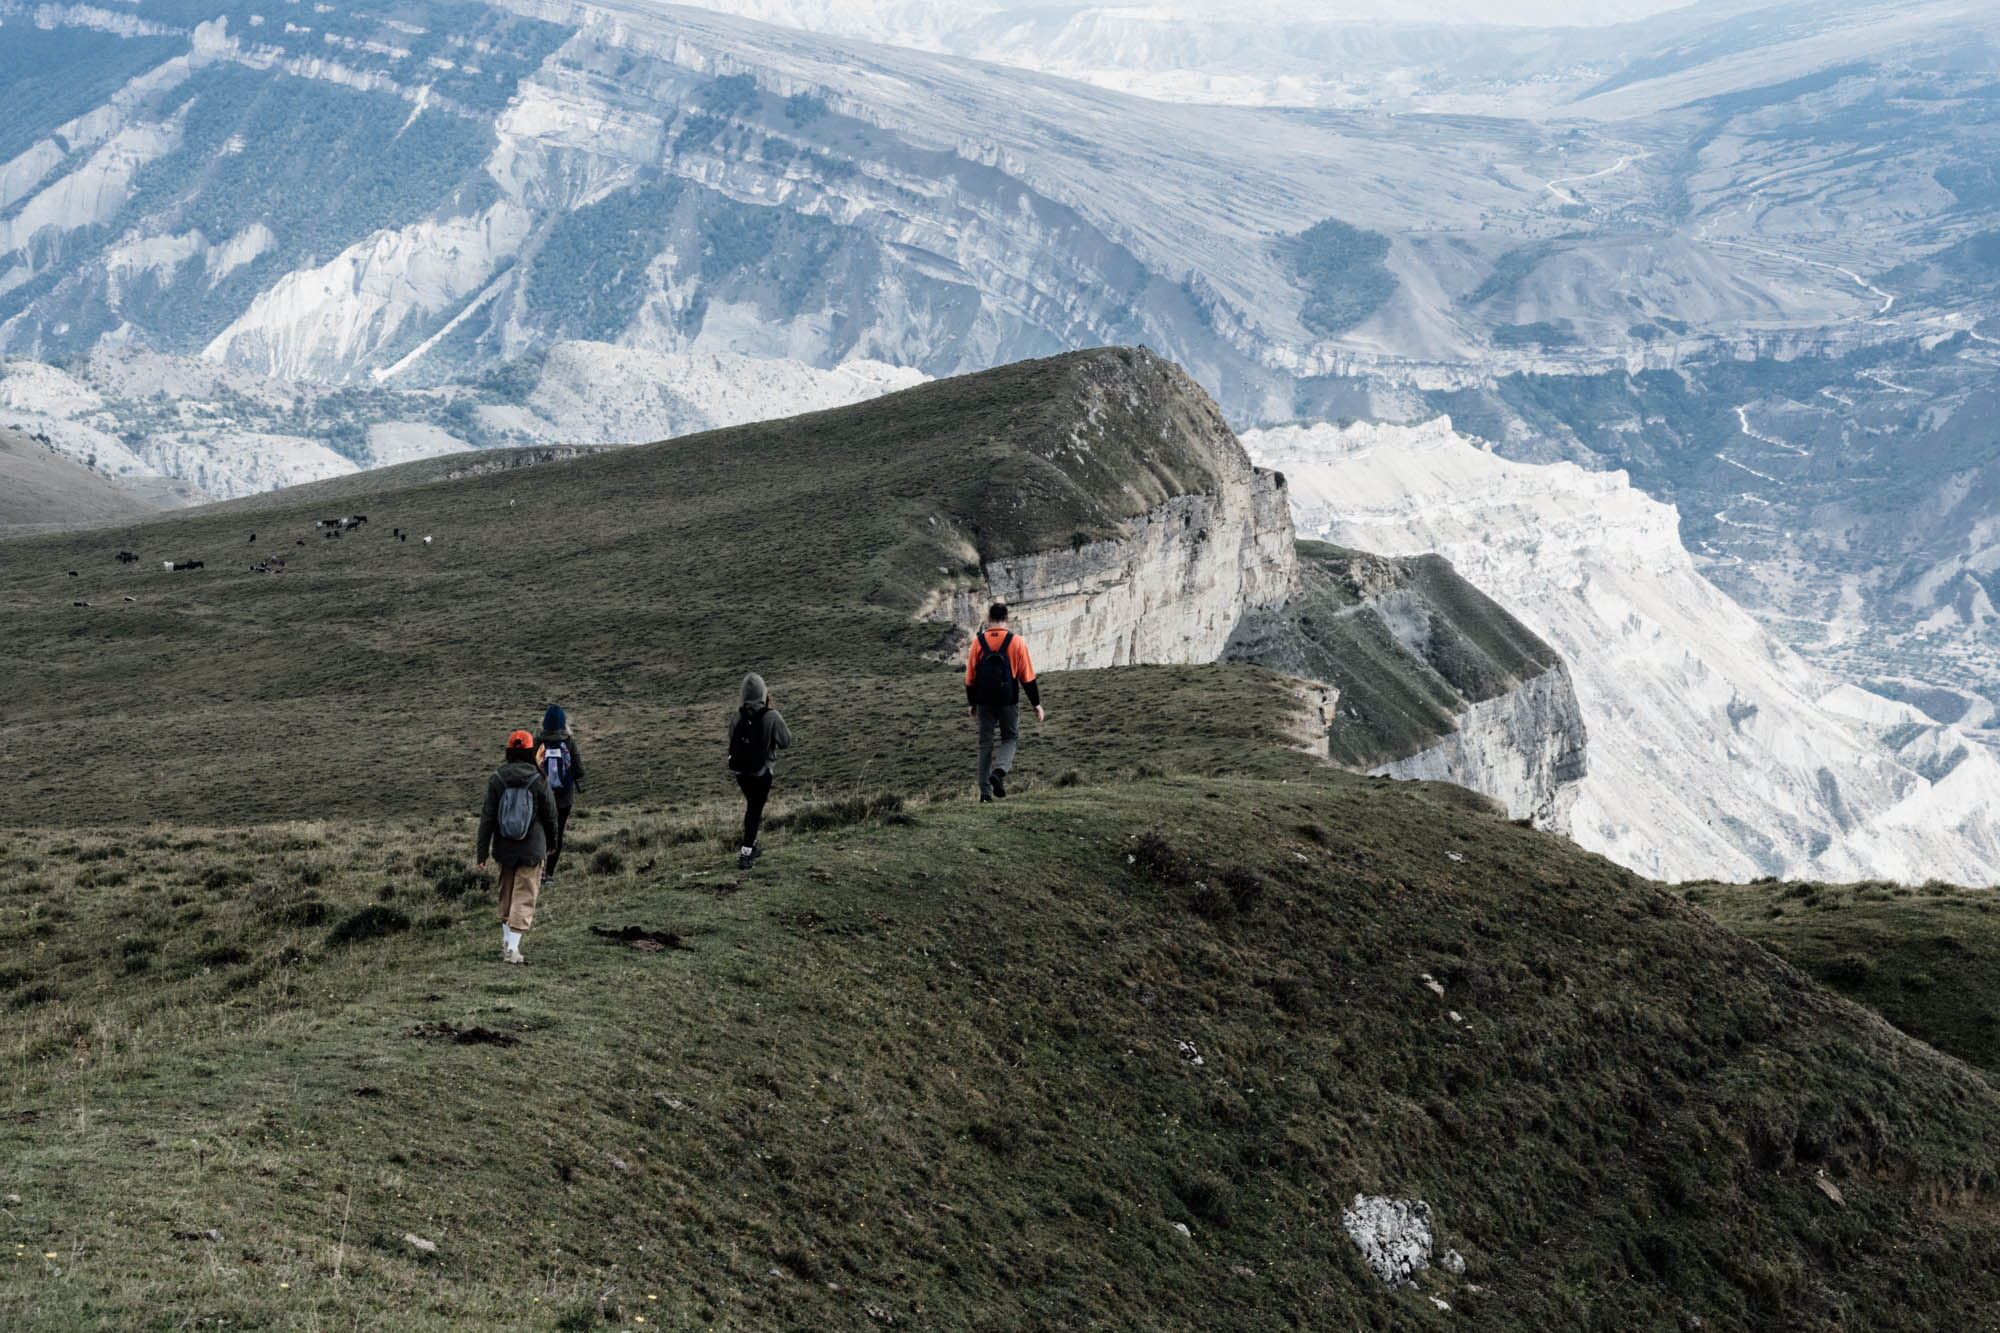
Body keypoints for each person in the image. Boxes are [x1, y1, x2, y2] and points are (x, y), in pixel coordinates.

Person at [476, 728, 559, 965]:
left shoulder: (497, 778)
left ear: (509, 751)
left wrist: (481, 853)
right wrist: (552, 844)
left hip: (504, 847)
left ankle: (506, 943)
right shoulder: (538, 779)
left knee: (506, 894)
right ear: (531, 751)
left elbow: (487, 818)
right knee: (525, 895)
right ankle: (512, 950)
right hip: (532, 846)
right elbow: (551, 816)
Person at [965, 602, 1043, 802]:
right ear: (1007, 620)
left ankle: (984, 794)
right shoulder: (1016, 642)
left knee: (985, 744)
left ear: (989, 619)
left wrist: (972, 703)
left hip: (983, 700)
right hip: (1008, 699)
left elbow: (970, 678)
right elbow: (1027, 677)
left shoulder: (978, 642)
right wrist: (1036, 704)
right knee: (1010, 738)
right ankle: (999, 773)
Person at [726, 674, 792, 871]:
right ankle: (746, 852)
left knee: (752, 806)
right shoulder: (772, 716)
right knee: (755, 809)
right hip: (762, 771)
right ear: (763, 692)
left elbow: (731, 740)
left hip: (740, 771)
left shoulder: (738, 715)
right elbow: (786, 742)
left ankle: (751, 846)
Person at [535, 704, 587, 886]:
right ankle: (549, 874)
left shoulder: (536, 741)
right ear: (564, 723)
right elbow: (580, 771)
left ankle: (538, 871)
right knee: (557, 834)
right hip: (564, 799)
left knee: (540, 833)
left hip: (540, 797)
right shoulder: (569, 741)